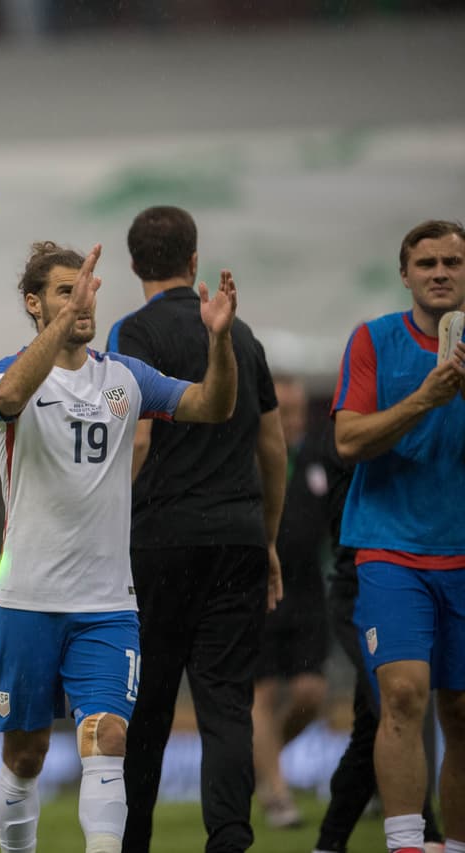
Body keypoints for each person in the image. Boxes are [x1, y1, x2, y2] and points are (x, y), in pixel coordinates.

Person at [0, 241, 237, 853]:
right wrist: (60, 333)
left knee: (108, 737)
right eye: (65, 290)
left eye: (88, 288)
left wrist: (220, 343)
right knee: (27, 751)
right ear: (33, 304)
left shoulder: (123, 376)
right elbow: (11, 398)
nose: (82, 300)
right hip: (27, 599)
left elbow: (213, 406)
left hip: (107, 605)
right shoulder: (4, 374)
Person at [106, 204, 285, 853]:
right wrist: (265, 539)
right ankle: (231, 838)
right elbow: (272, 446)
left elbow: (140, 438)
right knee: (227, 704)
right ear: (194, 261)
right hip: (236, 536)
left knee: (147, 706)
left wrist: (106, 526)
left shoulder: (132, 332)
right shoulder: (241, 338)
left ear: (133, 266)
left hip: (159, 541)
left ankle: (133, 843)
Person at [331, 218, 465, 853]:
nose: (441, 272)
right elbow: (348, 440)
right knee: (405, 695)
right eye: (428, 263)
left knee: (461, 713)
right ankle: (407, 843)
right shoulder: (374, 340)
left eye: (453, 263)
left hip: (462, 551)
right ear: (406, 274)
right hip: (390, 549)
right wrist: (425, 397)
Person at [312, 417, 446, 853]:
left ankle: (329, 843)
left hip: (413, 578)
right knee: (392, 702)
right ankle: (425, 832)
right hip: (362, 586)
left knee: (373, 723)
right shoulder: (346, 440)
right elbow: (341, 520)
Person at [250, 375, 330, 828]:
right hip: (258, 591)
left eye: (297, 409)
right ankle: (277, 793)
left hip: (308, 592)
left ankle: (264, 763)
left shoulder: (319, 458)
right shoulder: (249, 458)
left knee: (310, 692)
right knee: (260, 691)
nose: (291, 419)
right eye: (282, 410)